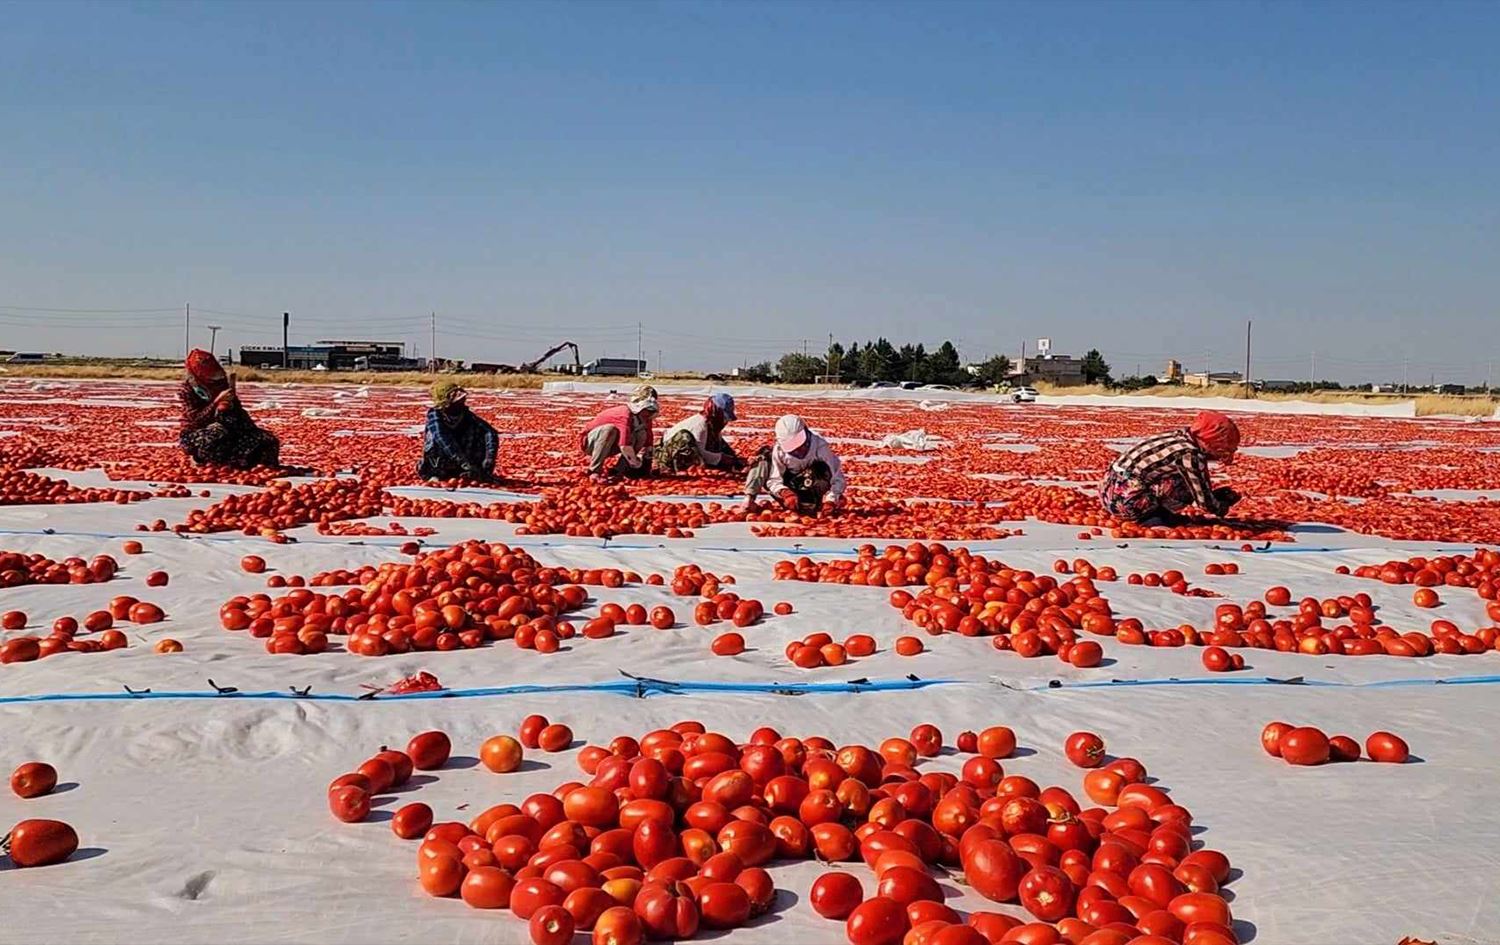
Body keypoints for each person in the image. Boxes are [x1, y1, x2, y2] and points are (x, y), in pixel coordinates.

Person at [1100, 410, 1242, 525]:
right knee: (1184, 484)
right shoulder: (1190, 454)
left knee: (1184, 477)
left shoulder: (1180, 435)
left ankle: (1150, 511)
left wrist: (1211, 494)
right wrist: (1221, 505)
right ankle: (1150, 517)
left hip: (1109, 491)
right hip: (1127, 502)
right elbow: (1205, 503)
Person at [177, 349, 281, 469]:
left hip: (230, 428)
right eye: (210, 375)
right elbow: (196, 419)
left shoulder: (221, 383)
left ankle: (241, 463)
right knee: (217, 434)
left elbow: (238, 412)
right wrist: (216, 402)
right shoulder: (188, 390)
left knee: (268, 440)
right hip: (198, 433)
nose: (214, 378)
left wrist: (232, 408)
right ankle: (199, 459)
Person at [744, 414, 845, 514]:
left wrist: (831, 500)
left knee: (822, 468)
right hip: (790, 488)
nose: (798, 450)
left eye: (800, 443)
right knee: (762, 460)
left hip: (812, 485)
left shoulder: (820, 445)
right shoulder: (779, 451)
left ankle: (816, 504)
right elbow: (774, 480)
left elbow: (837, 477)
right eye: (791, 446)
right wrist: (784, 493)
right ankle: (749, 500)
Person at [418, 380, 500, 482]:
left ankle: (472, 471)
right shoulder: (435, 415)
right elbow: (442, 438)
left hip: (464, 461)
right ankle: (437, 473)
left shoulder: (466, 415)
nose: (463, 401)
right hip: (440, 463)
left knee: (479, 431)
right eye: (458, 400)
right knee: (434, 437)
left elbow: (490, 432)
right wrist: (464, 462)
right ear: (447, 402)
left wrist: (489, 458)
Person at [582, 385, 659, 480]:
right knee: (609, 429)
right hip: (591, 444)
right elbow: (624, 445)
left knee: (641, 434)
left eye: (651, 411)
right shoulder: (625, 415)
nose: (648, 413)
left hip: (612, 444)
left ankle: (619, 470)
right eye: (646, 410)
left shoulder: (646, 417)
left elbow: (649, 441)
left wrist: (647, 464)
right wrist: (636, 463)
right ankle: (594, 470)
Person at [652, 393, 742, 473]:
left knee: (723, 447)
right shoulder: (700, 424)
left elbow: (719, 446)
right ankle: (675, 468)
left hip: (691, 451)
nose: (726, 421)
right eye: (725, 417)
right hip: (665, 454)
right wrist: (720, 458)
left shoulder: (712, 425)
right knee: (685, 436)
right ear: (715, 412)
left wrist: (734, 460)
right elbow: (700, 452)